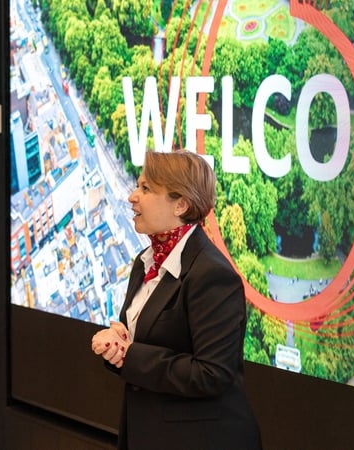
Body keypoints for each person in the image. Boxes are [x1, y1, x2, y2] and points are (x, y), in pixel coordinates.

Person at [91, 150, 262, 450]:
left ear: (181, 204)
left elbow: (212, 374)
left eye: (145, 189)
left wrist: (131, 353)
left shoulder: (212, 275)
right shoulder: (144, 263)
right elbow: (148, 346)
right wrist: (119, 345)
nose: (133, 197)